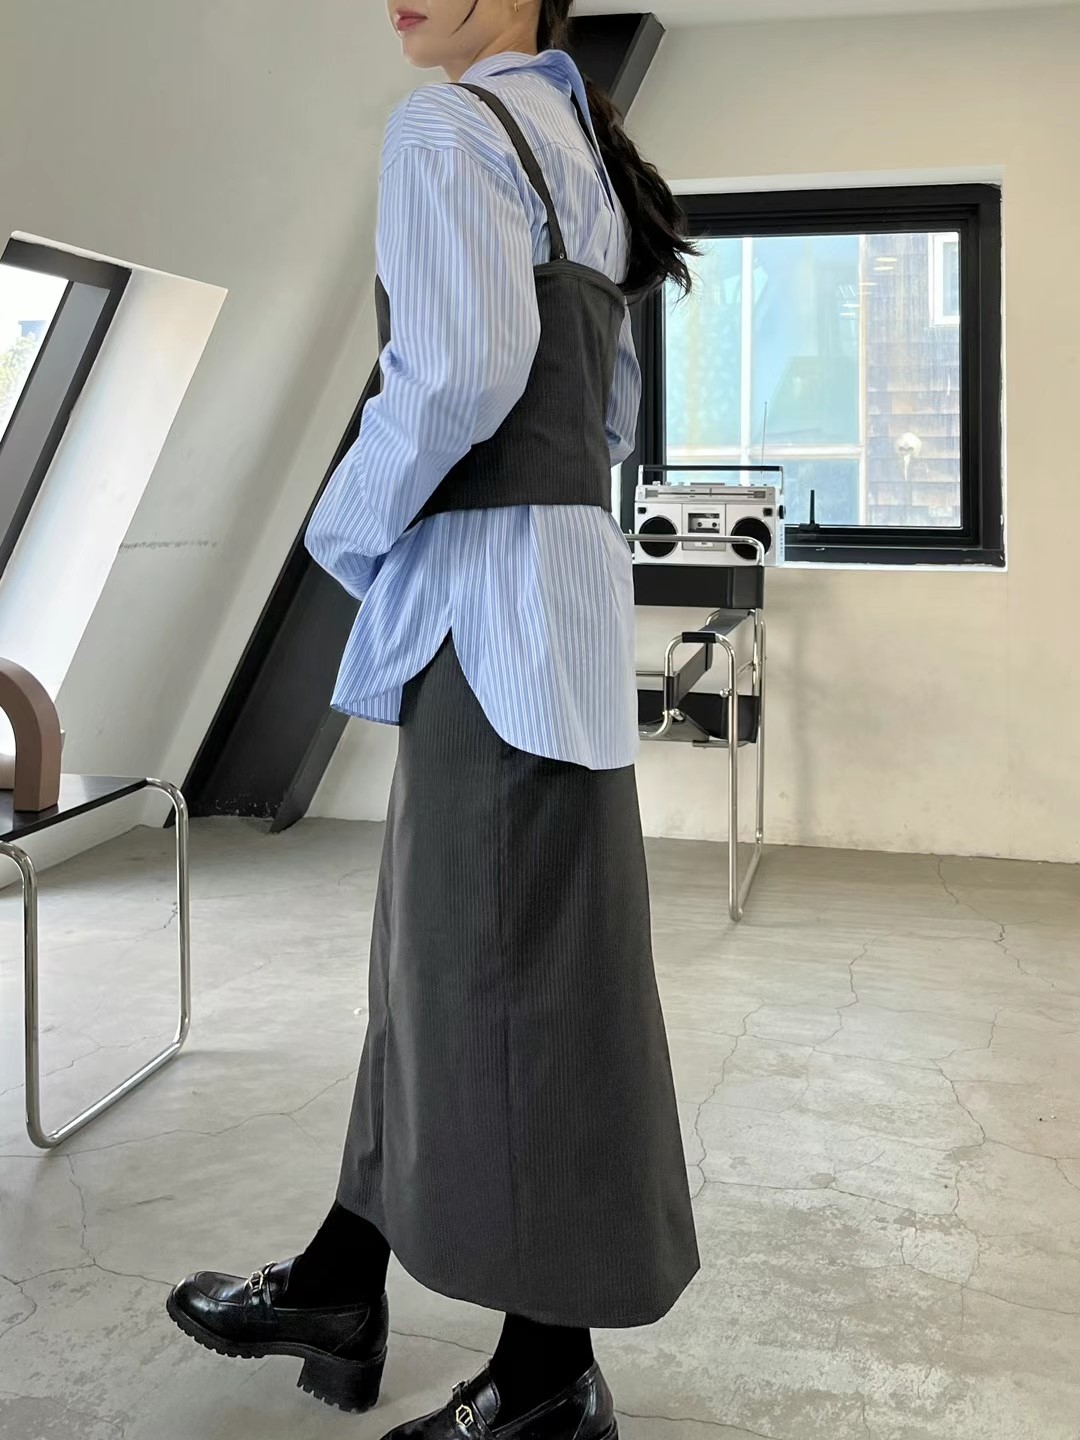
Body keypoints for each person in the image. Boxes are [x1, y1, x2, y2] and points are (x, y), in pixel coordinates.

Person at [167, 2, 699, 1435]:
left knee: (501, 980)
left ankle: (547, 1377)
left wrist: (339, 529)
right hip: (550, 605)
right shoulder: (581, 145)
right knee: (455, 958)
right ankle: (345, 1275)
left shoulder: (450, 129)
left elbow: (454, 374)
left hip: (488, 614)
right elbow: (607, 417)